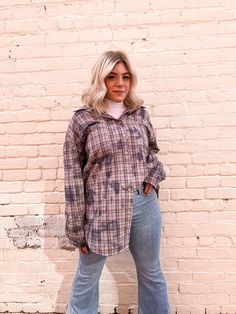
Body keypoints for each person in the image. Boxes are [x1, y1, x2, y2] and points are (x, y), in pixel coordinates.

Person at [63, 50, 170, 314]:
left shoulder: (140, 114)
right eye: (112, 77)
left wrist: (152, 177)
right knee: (87, 276)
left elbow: (152, 154)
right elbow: (73, 176)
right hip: (101, 210)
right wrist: (76, 227)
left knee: (151, 272)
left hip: (143, 205)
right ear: (101, 80)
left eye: (125, 77)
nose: (120, 83)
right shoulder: (83, 120)